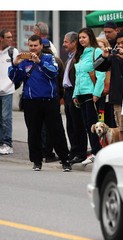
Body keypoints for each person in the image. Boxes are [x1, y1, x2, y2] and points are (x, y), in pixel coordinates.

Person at [8, 34, 71, 171]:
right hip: (31, 102)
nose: (33, 48)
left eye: (36, 45)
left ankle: (65, 160)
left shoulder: (49, 58)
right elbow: (15, 79)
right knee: (33, 132)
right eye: (31, 46)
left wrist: (39, 62)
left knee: (56, 131)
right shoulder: (24, 61)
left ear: (41, 46)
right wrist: (14, 65)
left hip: (49, 101)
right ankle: (36, 162)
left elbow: (53, 72)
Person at [95, 26, 123, 141]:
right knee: (121, 129)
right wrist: (104, 56)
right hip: (118, 99)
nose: (120, 46)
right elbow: (97, 67)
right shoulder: (113, 56)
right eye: (118, 44)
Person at [73, 27, 105, 165]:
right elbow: (78, 76)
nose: (81, 40)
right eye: (80, 38)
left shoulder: (96, 52)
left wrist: (96, 94)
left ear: (90, 37)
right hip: (80, 94)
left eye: (84, 37)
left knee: (93, 124)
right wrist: (75, 94)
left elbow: (101, 74)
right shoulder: (80, 55)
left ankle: (97, 152)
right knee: (87, 125)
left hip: (91, 94)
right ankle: (94, 151)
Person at [62, 31, 88, 164]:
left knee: (78, 123)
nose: (63, 44)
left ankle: (81, 153)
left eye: (66, 42)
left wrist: (75, 94)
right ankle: (73, 151)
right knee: (70, 124)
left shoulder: (79, 57)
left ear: (74, 43)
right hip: (67, 93)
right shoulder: (70, 57)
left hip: (75, 92)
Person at [0, 29, 18, 155]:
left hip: (7, 90)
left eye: (11, 37)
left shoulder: (13, 52)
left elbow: (18, 68)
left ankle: (7, 143)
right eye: (8, 37)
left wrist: (12, 83)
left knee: (6, 118)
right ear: (1, 38)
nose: (10, 39)